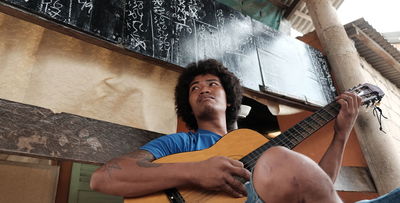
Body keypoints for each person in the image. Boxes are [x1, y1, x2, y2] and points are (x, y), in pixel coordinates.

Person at [90, 59, 363, 202]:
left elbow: (319, 189)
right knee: (278, 156)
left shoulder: (253, 143)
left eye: (212, 84)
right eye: (194, 88)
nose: (203, 89)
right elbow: (103, 179)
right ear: (188, 105)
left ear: (230, 99)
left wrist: (341, 134)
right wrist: (195, 171)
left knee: (278, 158)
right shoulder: (178, 143)